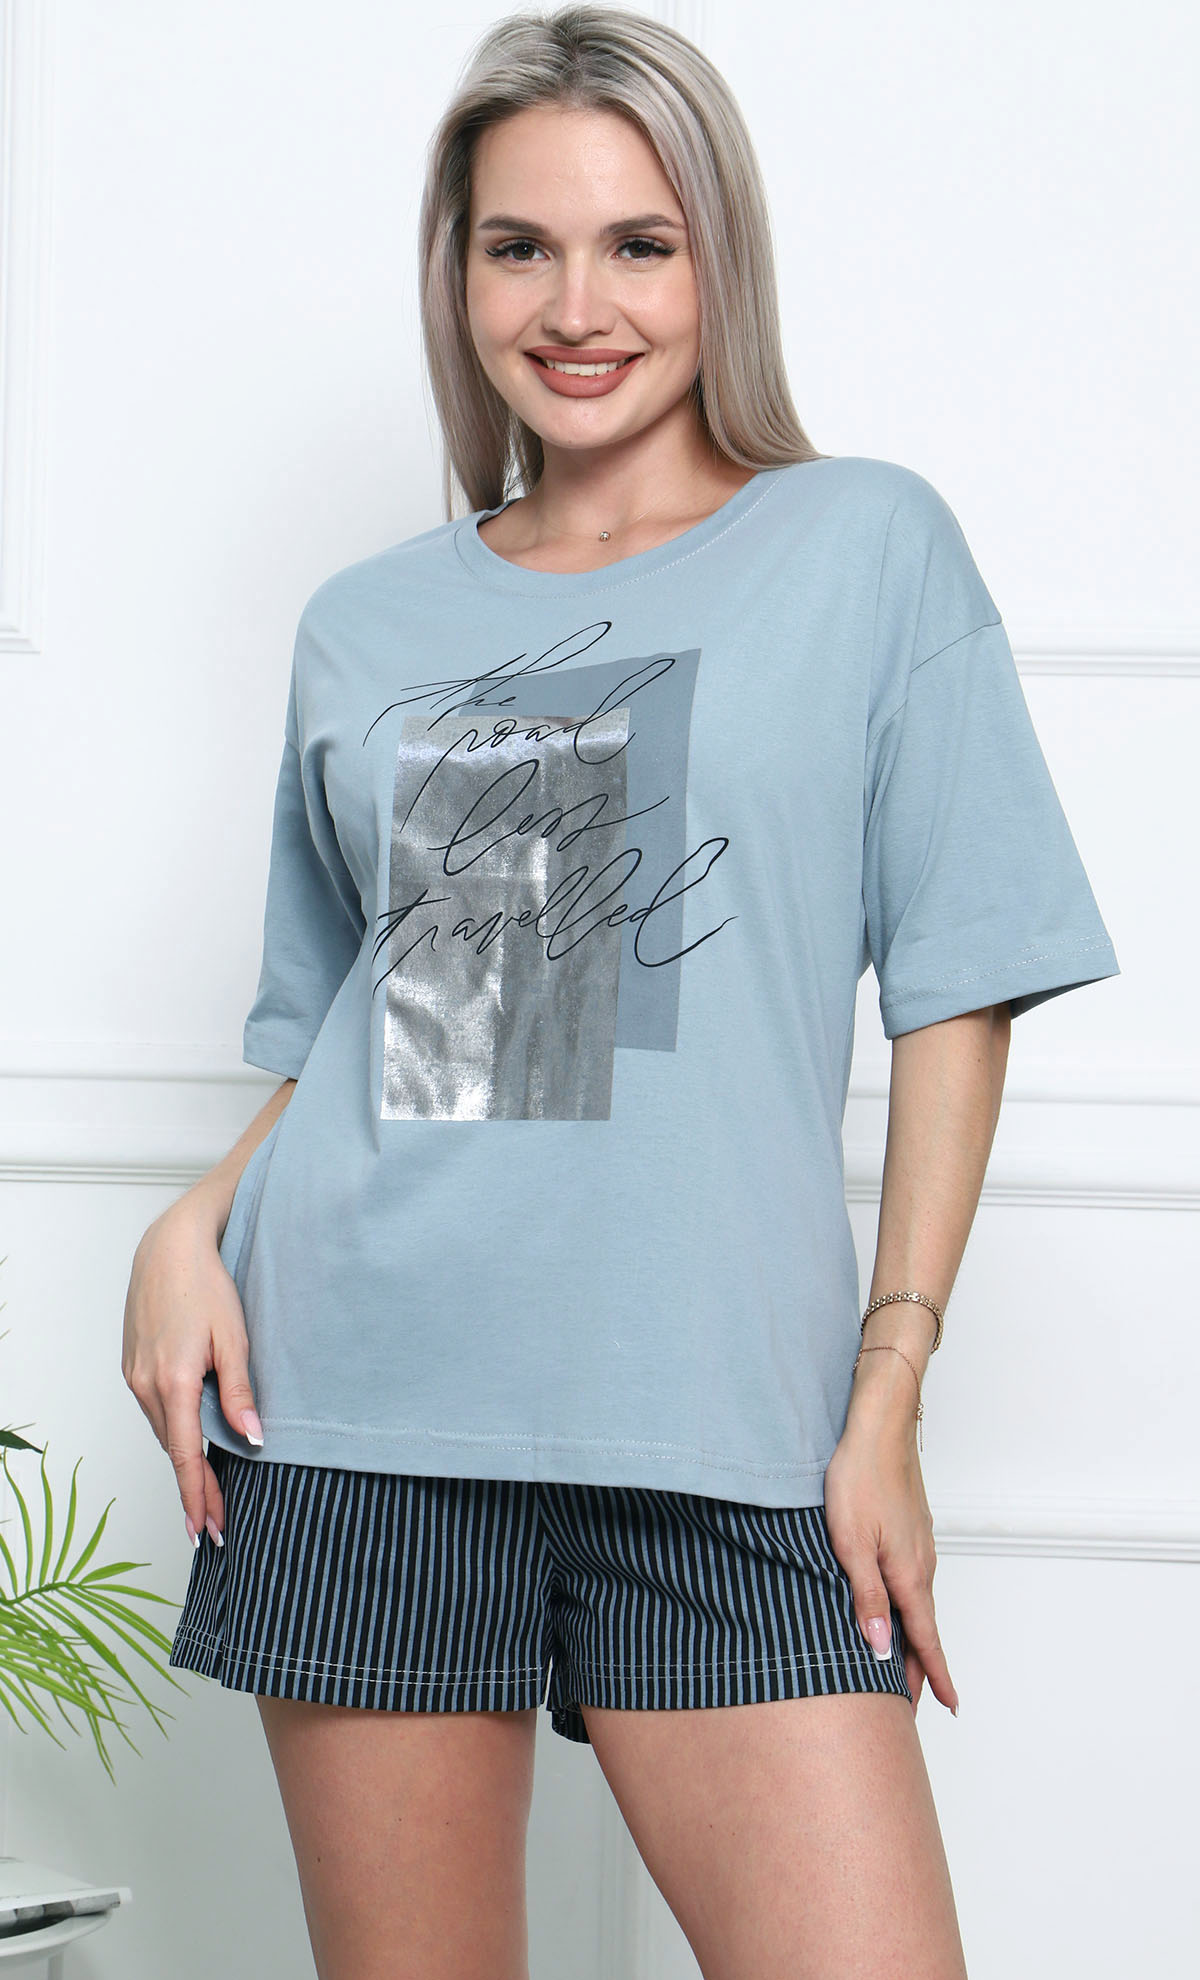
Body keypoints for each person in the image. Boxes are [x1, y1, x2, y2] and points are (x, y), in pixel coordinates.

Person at [122, 8, 1120, 1978]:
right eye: (521, 247)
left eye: (637, 245)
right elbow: (446, 1025)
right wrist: (192, 1217)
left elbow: (959, 984)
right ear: (459, 272)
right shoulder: (380, 622)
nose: (576, 307)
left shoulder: (863, 546)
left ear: (717, 258)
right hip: (366, 1422)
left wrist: (890, 1391)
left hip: (729, 1440)